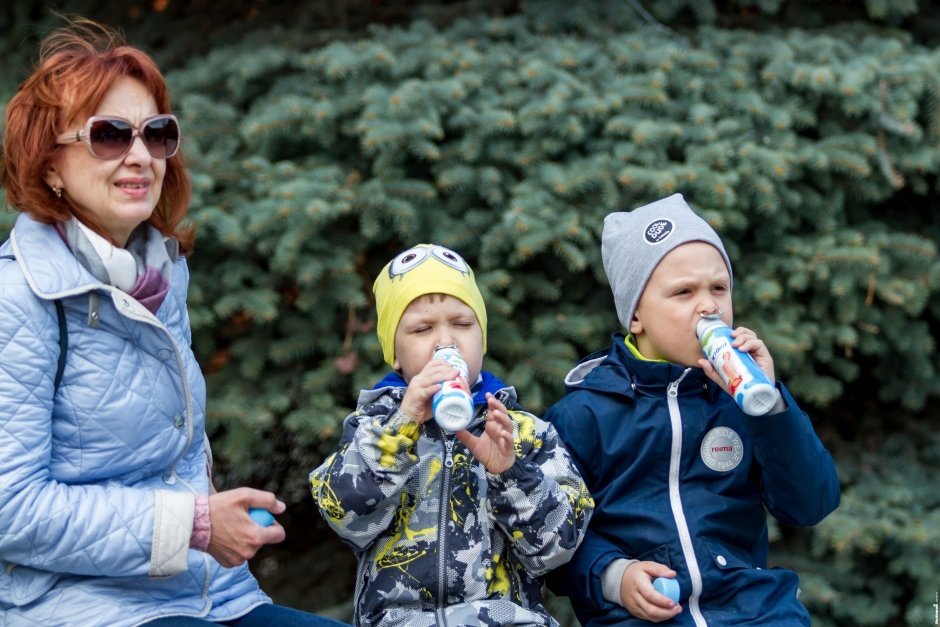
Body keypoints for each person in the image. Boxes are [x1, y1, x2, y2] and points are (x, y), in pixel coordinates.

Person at [0, 18, 344, 627]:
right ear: (49, 164)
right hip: (77, 609)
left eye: (155, 134)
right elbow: (11, 510)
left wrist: (211, 521)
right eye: (108, 136)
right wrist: (195, 523)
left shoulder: (159, 273)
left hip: (207, 595)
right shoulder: (16, 298)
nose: (139, 156)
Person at [544, 194, 840, 626]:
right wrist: (613, 575)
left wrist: (771, 406)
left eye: (719, 288)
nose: (709, 306)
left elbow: (811, 504)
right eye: (683, 292)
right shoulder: (584, 415)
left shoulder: (743, 401)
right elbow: (552, 536)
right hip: (642, 616)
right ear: (636, 317)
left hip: (755, 611)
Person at [309, 243, 594, 626]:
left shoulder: (522, 431)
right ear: (394, 352)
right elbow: (343, 515)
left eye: (462, 324)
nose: (447, 342)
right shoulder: (374, 429)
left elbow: (558, 547)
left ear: (482, 337)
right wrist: (403, 422)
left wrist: (509, 472)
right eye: (423, 329)